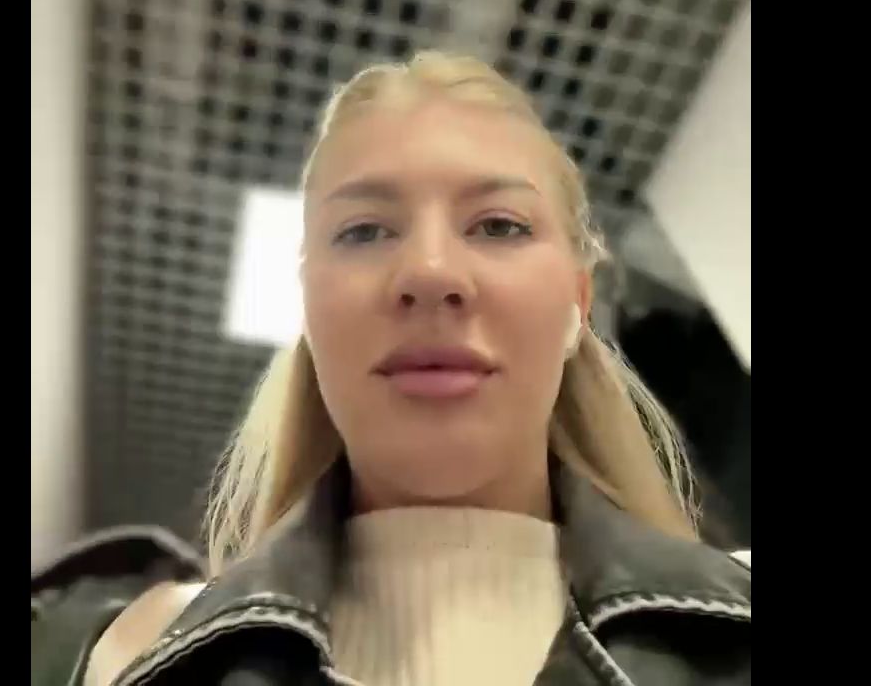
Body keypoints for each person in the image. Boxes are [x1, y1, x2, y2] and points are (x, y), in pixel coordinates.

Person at [85, 50, 750, 686]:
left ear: (578, 304)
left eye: (498, 226)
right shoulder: (138, 654)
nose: (430, 273)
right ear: (309, 307)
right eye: (364, 231)